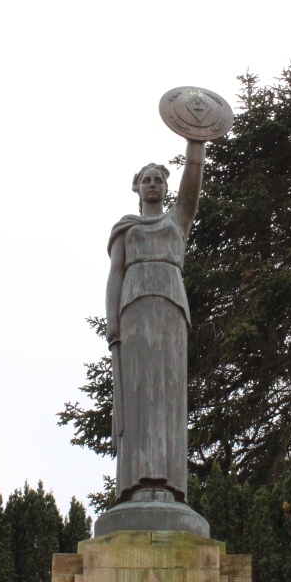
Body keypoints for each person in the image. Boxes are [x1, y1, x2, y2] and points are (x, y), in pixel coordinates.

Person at [106, 139, 205, 504]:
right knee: (137, 394)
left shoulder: (177, 220)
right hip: (133, 311)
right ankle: (134, 483)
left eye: (158, 180)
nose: (152, 184)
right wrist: (111, 321)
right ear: (136, 187)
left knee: (168, 392)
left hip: (171, 309)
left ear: (165, 187)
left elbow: (192, 182)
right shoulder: (126, 229)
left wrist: (196, 141)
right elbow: (115, 274)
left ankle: (172, 484)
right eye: (146, 179)